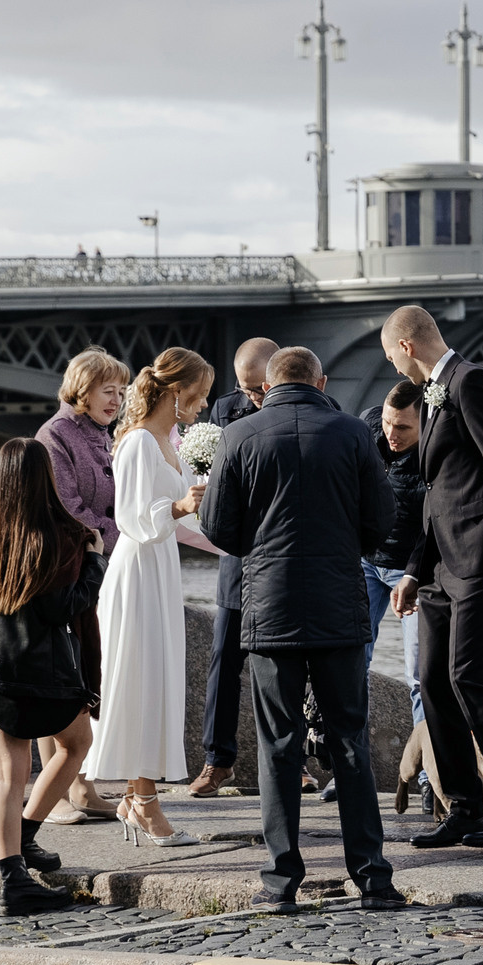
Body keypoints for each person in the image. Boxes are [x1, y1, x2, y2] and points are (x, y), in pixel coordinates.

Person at [198, 345, 406, 912]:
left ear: (265, 385)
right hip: (340, 605)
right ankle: (372, 877)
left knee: (278, 743)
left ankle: (281, 880)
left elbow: (218, 526)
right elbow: (382, 519)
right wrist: (344, 549)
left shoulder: (240, 437)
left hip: (270, 608)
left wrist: (261, 551)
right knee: (350, 740)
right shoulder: (352, 434)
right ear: (321, 380)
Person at [377, 305, 483, 849]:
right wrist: (411, 572)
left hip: (478, 561)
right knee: (433, 680)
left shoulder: (471, 383)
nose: (395, 371)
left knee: (470, 677)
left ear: (406, 346)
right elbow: (437, 495)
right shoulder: (432, 393)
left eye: (391, 358)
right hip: (437, 569)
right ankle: (465, 807)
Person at [0, 439, 104, 917]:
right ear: (45, 479)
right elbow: (63, 608)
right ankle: (29, 833)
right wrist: (95, 560)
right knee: (77, 745)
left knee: (8, 776)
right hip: (47, 673)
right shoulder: (60, 535)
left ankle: (14, 874)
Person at [81, 346, 212, 848]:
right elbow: (130, 518)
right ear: (176, 393)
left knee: (155, 679)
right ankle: (144, 802)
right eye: (197, 397)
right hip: (136, 571)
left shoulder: (168, 440)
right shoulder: (137, 442)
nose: (201, 406)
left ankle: (139, 799)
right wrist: (178, 505)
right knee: (139, 680)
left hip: (158, 568)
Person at [35, 345, 128, 823]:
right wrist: (123, 532)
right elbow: (69, 507)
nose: (116, 399)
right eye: (107, 391)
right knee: (60, 673)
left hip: (94, 566)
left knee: (84, 667)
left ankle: (82, 787)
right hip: (66, 568)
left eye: (120, 391)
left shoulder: (102, 433)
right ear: (81, 391)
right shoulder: (55, 436)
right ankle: (52, 794)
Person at [190, 336, 278, 798]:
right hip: (238, 557)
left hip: (282, 556)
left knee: (286, 665)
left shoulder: (310, 402)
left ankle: (291, 762)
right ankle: (216, 761)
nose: (252, 398)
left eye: (259, 388)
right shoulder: (224, 410)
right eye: (245, 389)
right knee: (224, 659)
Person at [359, 382, 439, 812]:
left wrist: (413, 574)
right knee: (352, 662)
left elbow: (435, 525)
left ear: (423, 424)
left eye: (403, 428)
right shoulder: (369, 428)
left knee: (419, 674)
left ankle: (429, 776)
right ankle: (352, 772)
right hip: (365, 563)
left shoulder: (434, 454)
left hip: (414, 569)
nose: (392, 433)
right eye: (389, 423)